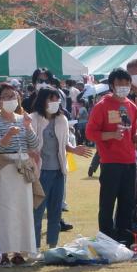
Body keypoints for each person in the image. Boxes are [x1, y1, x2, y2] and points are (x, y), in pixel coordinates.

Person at [86, 69, 137, 244]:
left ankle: (124, 239)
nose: (124, 87)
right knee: (107, 203)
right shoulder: (102, 105)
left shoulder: (131, 106)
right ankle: (107, 239)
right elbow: (90, 133)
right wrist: (111, 135)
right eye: (119, 84)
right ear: (111, 85)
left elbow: (132, 133)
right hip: (110, 162)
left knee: (127, 202)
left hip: (130, 160)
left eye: (127, 83)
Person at [30, 88, 92, 249]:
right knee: (37, 211)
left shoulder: (61, 119)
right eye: (51, 99)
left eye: (57, 99)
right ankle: (34, 247)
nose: (55, 103)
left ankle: (53, 245)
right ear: (42, 100)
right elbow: (28, 144)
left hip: (59, 171)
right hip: (40, 172)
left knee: (56, 211)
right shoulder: (33, 119)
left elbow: (64, 143)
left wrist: (74, 149)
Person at [0, 83, 41, 264]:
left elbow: (34, 145)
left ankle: (20, 251)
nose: (11, 99)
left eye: (13, 96)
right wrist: (8, 135)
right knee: (4, 210)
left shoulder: (22, 118)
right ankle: (2, 252)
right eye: (6, 96)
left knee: (23, 210)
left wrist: (28, 127)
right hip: (5, 170)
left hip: (23, 169)